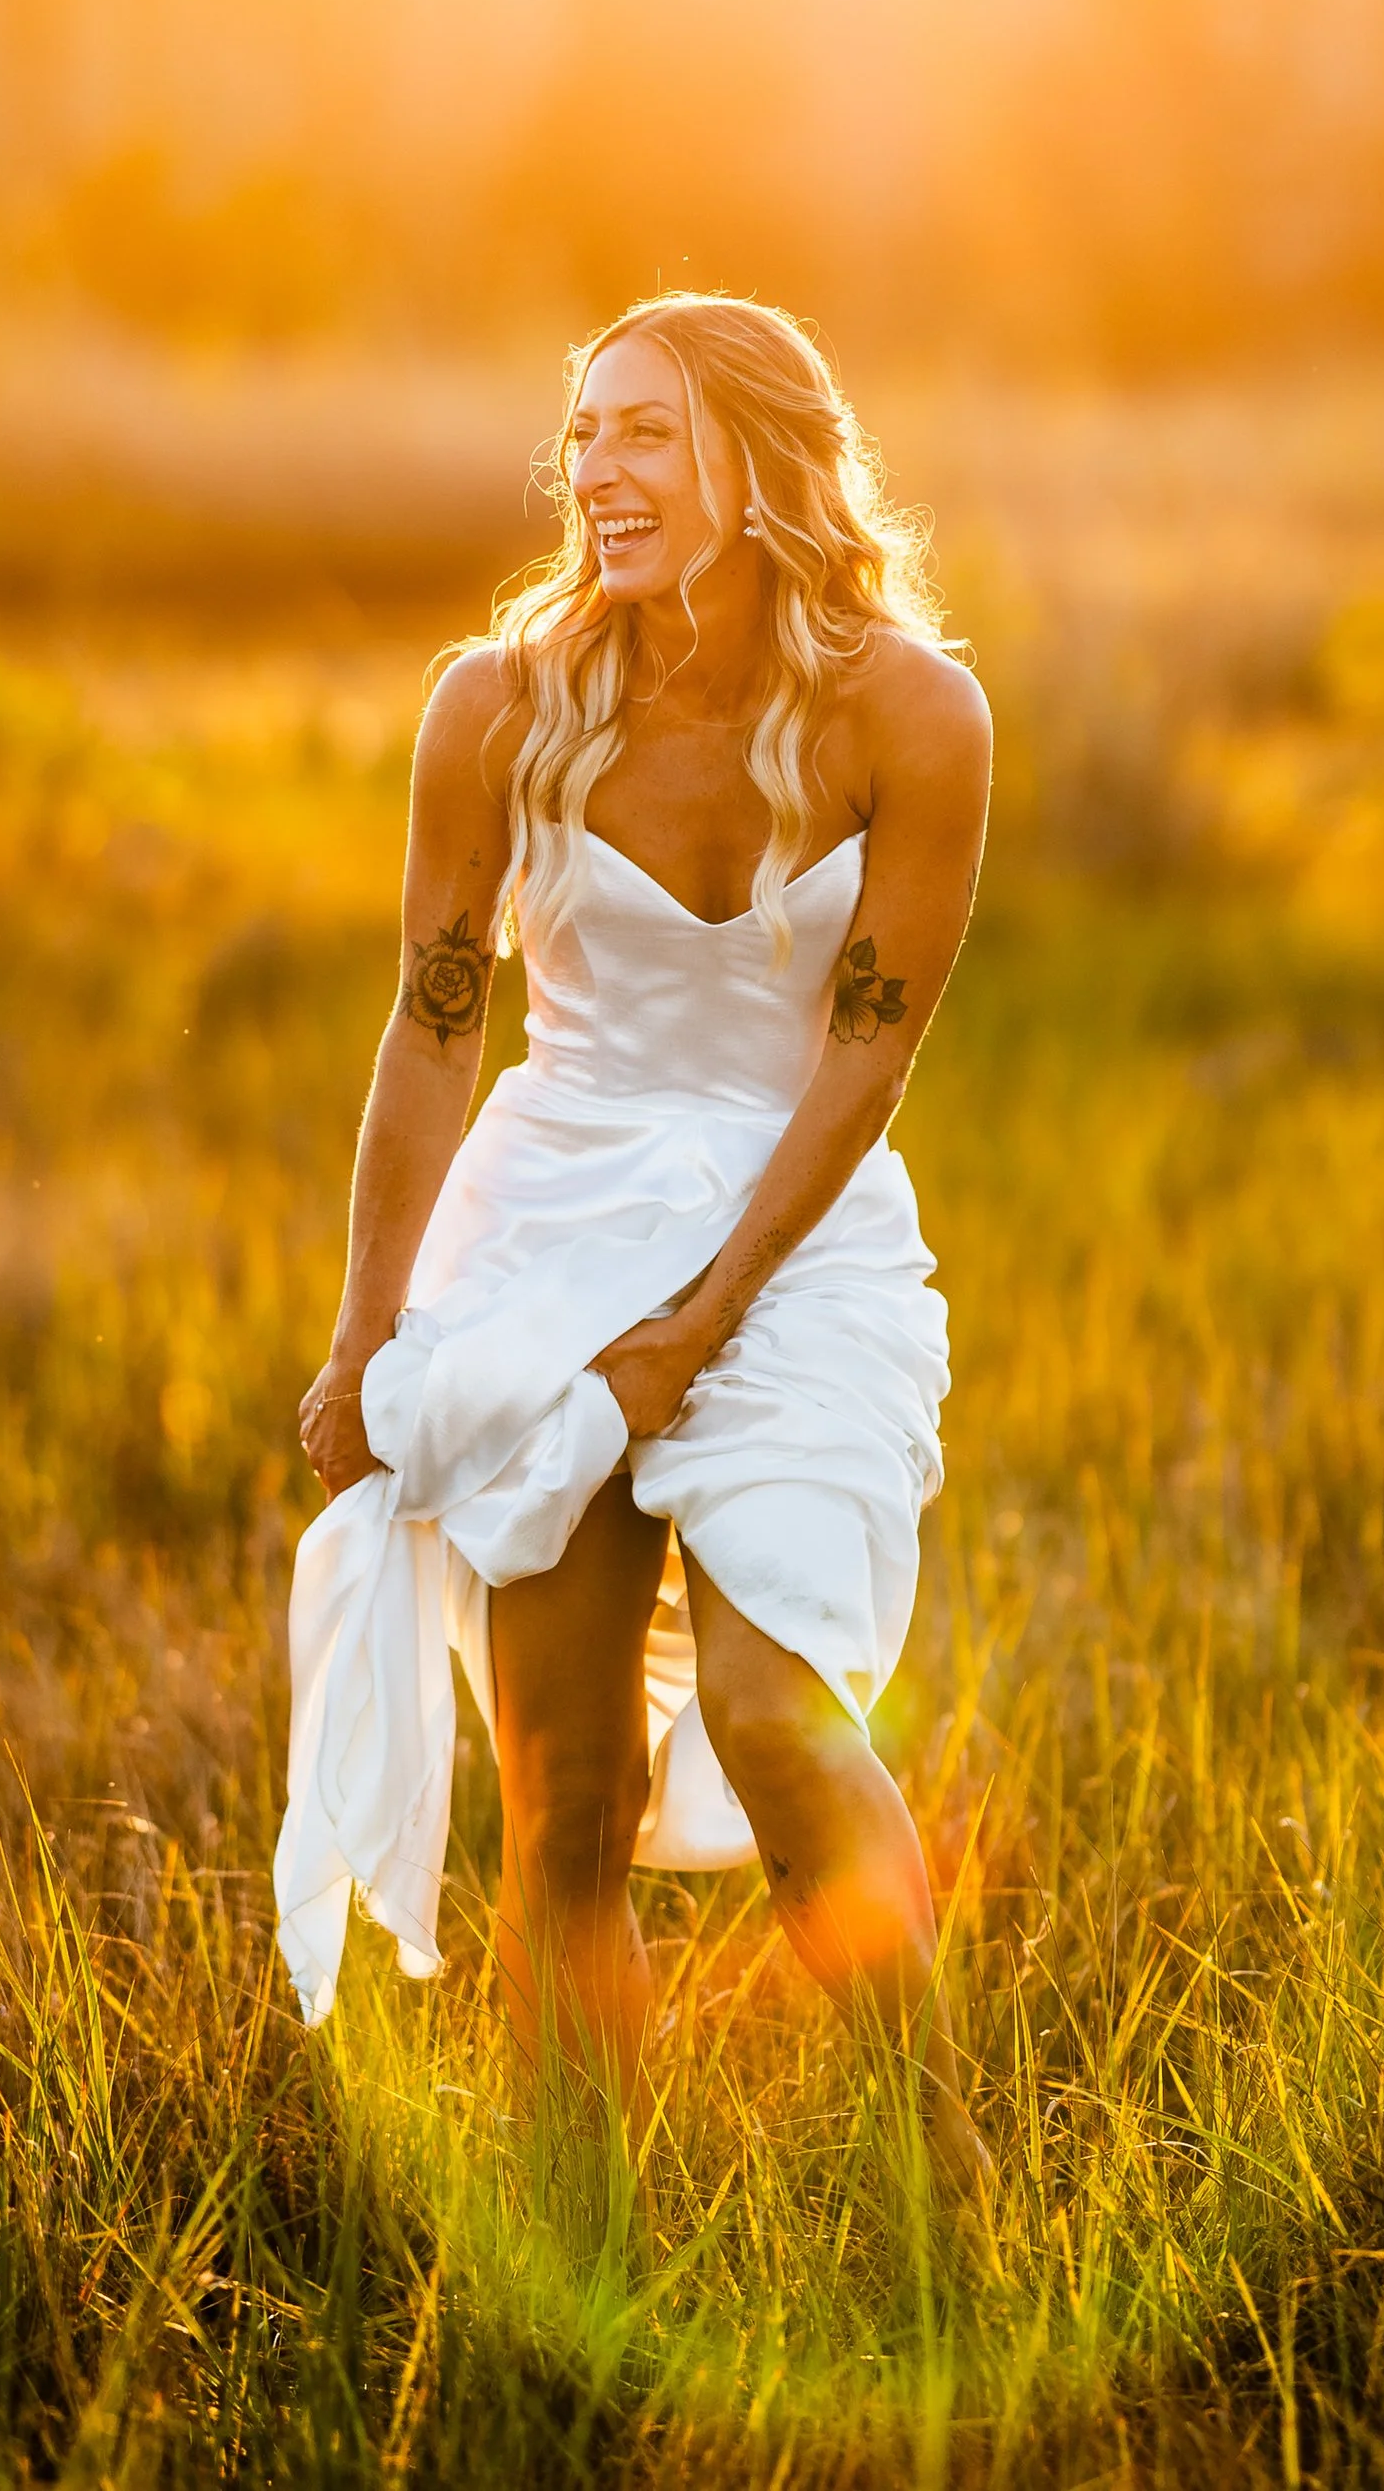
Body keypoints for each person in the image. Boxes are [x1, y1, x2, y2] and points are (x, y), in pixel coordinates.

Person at [273, 292, 990, 2191]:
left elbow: (873, 1045)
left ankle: (946, 2207)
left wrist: (702, 1319)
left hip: (796, 1230)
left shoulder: (914, 714)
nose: (598, 469)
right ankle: (580, 2269)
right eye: (583, 432)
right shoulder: (496, 708)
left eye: (648, 430)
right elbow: (436, 1026)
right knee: (561, 1797)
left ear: (763, 461)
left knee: (773, 1714)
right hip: (552, 1219)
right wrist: (369, 1339)